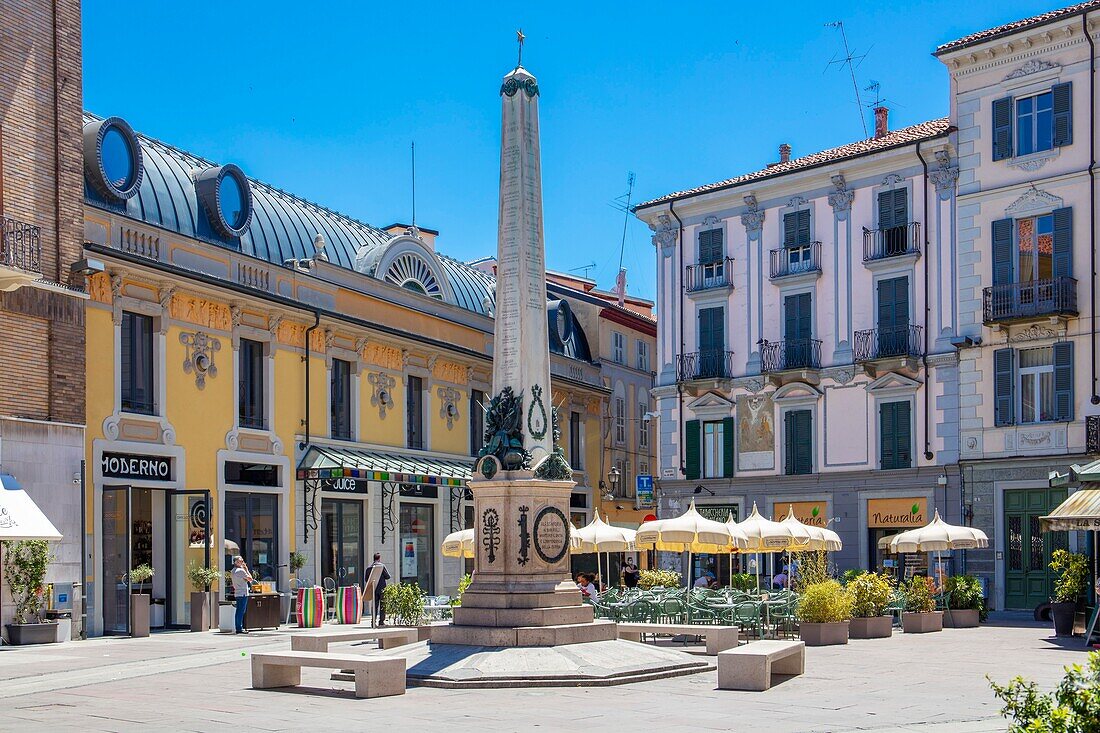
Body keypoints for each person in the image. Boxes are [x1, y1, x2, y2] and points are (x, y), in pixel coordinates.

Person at [230, 555, 253, 634]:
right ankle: (239, 628)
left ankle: (239, 627)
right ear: (236, 562)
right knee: (241, 611)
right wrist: (246, 569)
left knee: (238, 611)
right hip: (243, 593)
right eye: (241, 561)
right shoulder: (241, 571)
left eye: (242, 561)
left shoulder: (233, 571)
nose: (242, 563)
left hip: (237, 592)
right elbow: (250, 579)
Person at [366, 553, 391, 626]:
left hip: (374, 588)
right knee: (383, 605)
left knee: (374, 606)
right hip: (382, 589)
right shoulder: (382, 567)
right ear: (379, 558)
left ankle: (373, 622)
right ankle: (381, 621)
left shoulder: (369, 569)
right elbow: (388, 576)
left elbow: (366, 580)